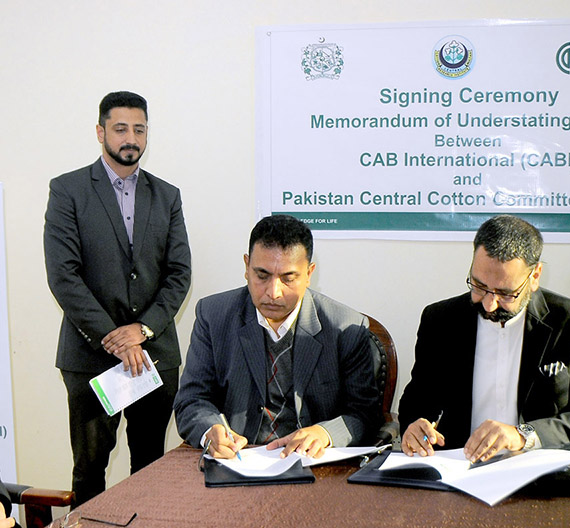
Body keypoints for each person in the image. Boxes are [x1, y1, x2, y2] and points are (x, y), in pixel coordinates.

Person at [44, 91, 192, 506]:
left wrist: (141, 331)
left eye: (139, 129)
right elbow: (63, 275)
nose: (131, 137)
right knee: (90, 471)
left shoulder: (167, 196)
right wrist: (114, 335)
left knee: (150, 467)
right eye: (121, 128)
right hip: (91, 357)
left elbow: (179, 274)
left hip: (154, 355)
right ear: (100, 132)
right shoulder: (68, 190)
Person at [399, 215, 570, 463]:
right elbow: (415, 402)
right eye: (479, 286)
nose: (490, 305)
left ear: (535, 276)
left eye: (505, 293)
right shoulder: (440, 320)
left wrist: (523, 435)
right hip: (459, 469)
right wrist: (414, 427)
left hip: (539, 471)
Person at [174, 215, 381, 459]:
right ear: (246, 266)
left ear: (309, 273)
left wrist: (324, 433)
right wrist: (210, 430)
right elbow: (191, 400)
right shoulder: (214, 316)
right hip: (239, 462)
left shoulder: (345, 327)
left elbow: (365, 414)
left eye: (288, 278)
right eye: (262, 275)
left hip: (314, 467)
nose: (273, 292)